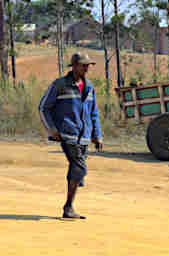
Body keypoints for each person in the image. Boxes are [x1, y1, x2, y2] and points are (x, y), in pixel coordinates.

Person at [38, 52, 104, 219]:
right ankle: (68, 207)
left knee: (76, 168)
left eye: (88, 65)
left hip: (84, 136)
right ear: (74, 66)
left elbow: (93, 113)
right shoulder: (60, 85)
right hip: (67, 135)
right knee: (79, 167)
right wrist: (52, 130)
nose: (87, 68)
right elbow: (43, 107)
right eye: (84, 65)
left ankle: (70, 204)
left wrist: (97, 135)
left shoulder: (89, 87)